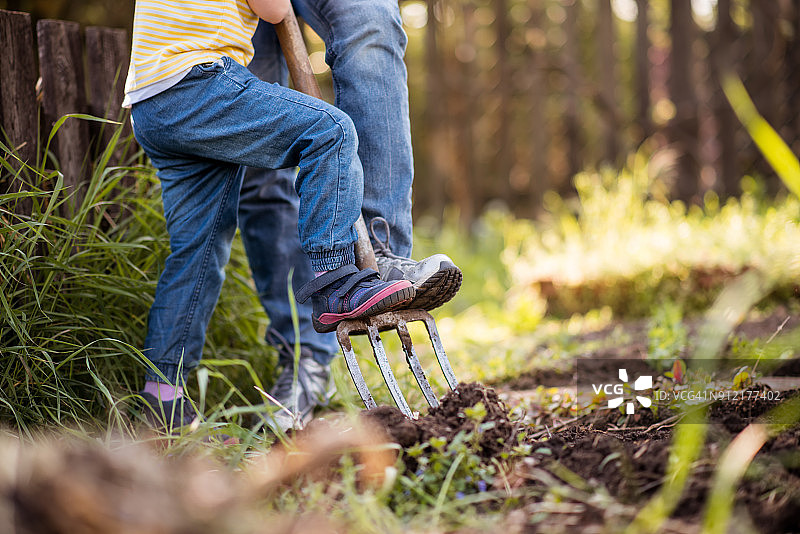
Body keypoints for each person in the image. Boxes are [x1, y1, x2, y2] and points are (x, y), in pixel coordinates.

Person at [125, 0, 462, 432]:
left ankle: (162, 401)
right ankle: (337, 284)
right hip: (201, 81)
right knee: (331, 132)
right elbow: (272, 8)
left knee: (198, 253)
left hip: (152, 102)